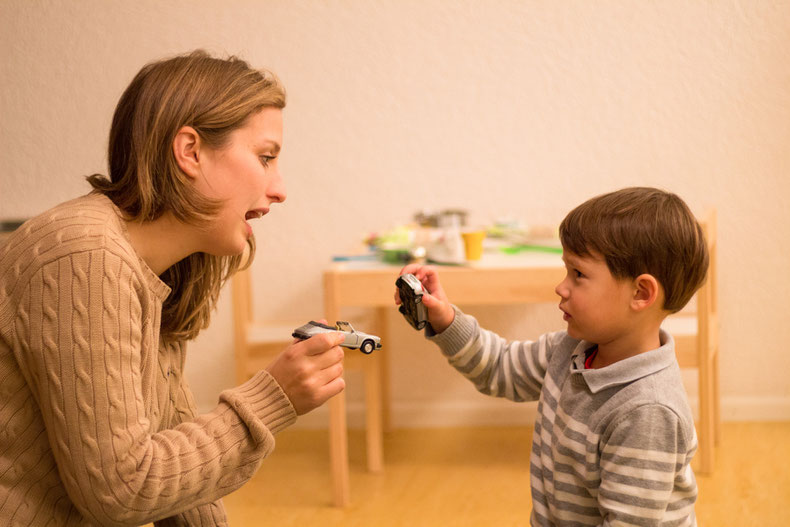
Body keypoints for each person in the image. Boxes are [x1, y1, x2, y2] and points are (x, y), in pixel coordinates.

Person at [0, 50, 346, 525]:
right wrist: (271, 399)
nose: (280, 188)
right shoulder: (86, 257)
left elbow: (176, 456)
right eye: (265, 158)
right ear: (189, 151)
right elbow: (121, 490)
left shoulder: (159, 267)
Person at [396, 187, 708, 526]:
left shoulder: (648, 412)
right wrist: (445, 320)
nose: (561, 287)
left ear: (640, 293)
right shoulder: (570, 351)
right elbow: (500, 368)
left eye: (578, 274)